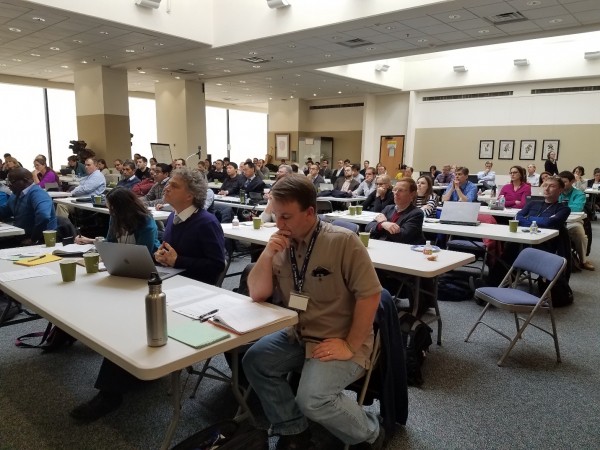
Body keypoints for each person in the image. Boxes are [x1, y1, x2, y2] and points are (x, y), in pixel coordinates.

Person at [70, 168, 225, 423]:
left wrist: (179, 260)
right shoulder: (176, 219)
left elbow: (217, 265)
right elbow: (172, 254)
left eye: (173, 186)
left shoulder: (206, 222)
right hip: (174, 284)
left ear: (190, 195)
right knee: (121, 307)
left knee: (131, 318)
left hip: (195, 295)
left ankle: (110, 394)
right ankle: (128, 373)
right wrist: (162, 257)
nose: (166, 188)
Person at [242, 174, 385, 449]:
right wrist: (267, 254)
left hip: (340, 337)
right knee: (255, 361)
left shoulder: (342, 242)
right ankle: (293, 428)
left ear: (310, 212)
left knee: (312, 399)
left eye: (286, 217)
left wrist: (350, 345)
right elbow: (257, 293)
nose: (279, 224)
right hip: (299, 334)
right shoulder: (281, 244)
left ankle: (370, 432)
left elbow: (371, 295)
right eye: (275, 216)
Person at [75, 188, 160, 250]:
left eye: (112, 209)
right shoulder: (115, 216)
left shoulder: (146, 222)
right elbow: (110, 242)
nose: (110, 212)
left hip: (149, 263)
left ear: (123, 208)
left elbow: (143, 253)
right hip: (124, 260)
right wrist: (89, 240)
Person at [0, 168, 57, 247]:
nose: (8, 185)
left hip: (39, 240)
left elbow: (44, 216)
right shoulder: (16, 194)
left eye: (11, 182)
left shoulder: (38, 193)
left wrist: (33, 239)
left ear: (26, 180)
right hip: (20, 236)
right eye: (7, 182)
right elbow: (5, 211)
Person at [365, 178, 425, 245]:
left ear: (412, 194)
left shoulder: (416, 213)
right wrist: (383, 224)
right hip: (384, 246)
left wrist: (382, 223)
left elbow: (402, 237)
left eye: (401, 190)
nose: (396, 193)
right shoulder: (388, 208)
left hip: (404, 251)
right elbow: (368, 227)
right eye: (395, 190)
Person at [559, 171, 594, 271]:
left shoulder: (579, 194)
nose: (562, 184)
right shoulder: (557, 191)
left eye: (565, 182)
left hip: (573, 221)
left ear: (572, 181)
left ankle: (583, 261)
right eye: (560, 182)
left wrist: (560, 207)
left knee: (579, 232)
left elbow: (577, 208)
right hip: (557, 219)